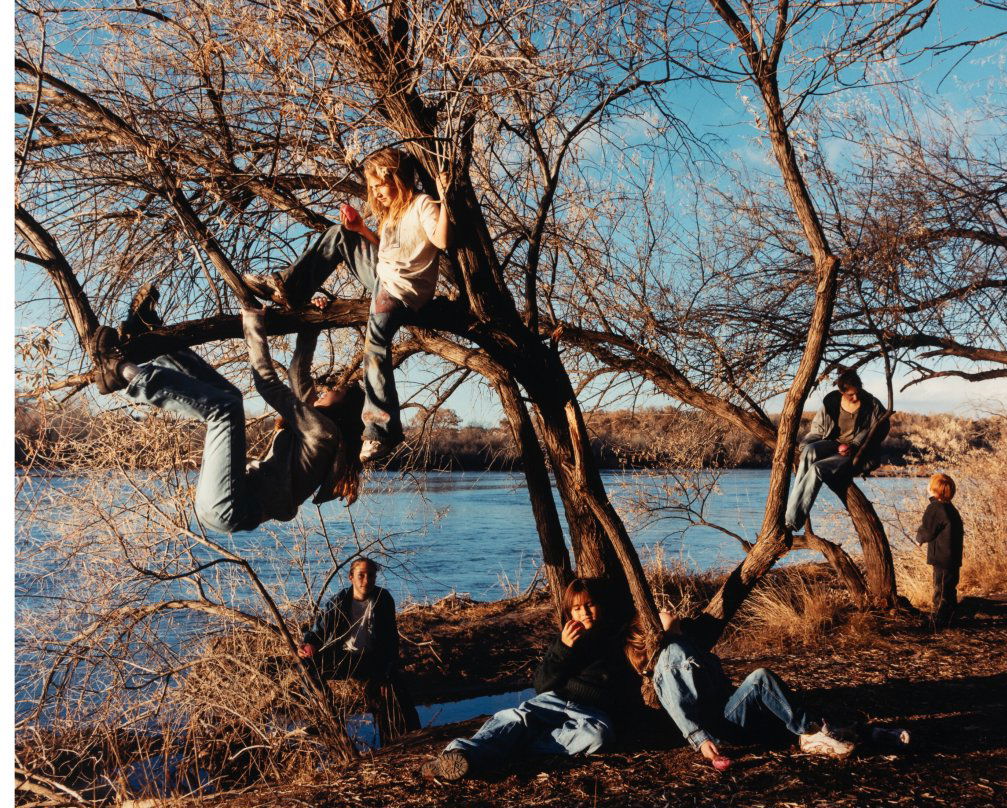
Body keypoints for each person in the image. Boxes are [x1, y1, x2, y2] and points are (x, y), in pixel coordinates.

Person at [90, 284, 365, 533]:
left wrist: (252, 323)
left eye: (335, 392)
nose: (328, 390)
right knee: (228, 395)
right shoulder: (316, 425)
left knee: (226, 409)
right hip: (230, 499)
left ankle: (122, 373)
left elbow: (267, 384)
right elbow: (298, 371)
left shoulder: (323, 432)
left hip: (233, 506)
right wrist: (313, 320)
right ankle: (148, 330)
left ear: (342, 411)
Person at [242, 148, 451, 465]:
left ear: (396, 178)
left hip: (403, 290)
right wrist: (360, 231)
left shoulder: (422, 204)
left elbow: (441, 240)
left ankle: (382, 430)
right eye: (375, 187)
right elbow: (386, 252)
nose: (378, 192)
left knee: (375, 344)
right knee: (338, 234)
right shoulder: (392, 214)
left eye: (381, 185)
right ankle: (289, 289)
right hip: (383, 275)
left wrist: (445, 200)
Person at [420, 578, 641, 782]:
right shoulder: (567, 639)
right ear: (569, 613)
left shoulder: (619, 636)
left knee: (597, 736)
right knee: (516, 718)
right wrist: (563, 648)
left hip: (592, 712)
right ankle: (458, 754)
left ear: (600, 605)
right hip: (556, 700)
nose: (584, 612)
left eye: (589, 605)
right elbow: (541, 685)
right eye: (576, 608)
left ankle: (515, 747)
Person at [645, 612, 865, 770]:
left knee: (772, 698)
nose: (664, 608)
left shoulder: (684, 644)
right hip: (722, 725)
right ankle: (809, 734)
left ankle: (823, 730)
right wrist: (700, 740)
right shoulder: (671, 655)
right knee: (760, 679)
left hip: (727, 711)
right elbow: (678, 704)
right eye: (659, 612)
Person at [299, 557, 419, 744]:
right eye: (361, 575)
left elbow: (390, 638)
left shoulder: (383, 599)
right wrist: (309, 644)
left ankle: (408, 738)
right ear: (351, 577)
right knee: (306, 666)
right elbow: (319, 630)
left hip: (371, 659)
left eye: (371, 575)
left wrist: (387, 668)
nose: (366, 580)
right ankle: (326, 716)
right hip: (344, 658)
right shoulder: (339, 601)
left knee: (397, 695)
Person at [786, 369, 890, 532]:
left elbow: (879, 431)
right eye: (850, 395)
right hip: (832, 444)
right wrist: (806, 444)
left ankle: (791, 521)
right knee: (808, 452)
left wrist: (855, 445)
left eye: (857, 393)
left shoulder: (872, 404)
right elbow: (818, 429)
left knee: (817, 469)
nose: (855, 397)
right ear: (841, 392)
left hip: (855, 452)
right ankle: (790, 512)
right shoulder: (832, 402)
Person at [916, 473, 965, 629]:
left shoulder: (935, 507)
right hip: (953, 555)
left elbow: (928, 530)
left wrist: (919, 539)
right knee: (949, 587)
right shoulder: (950, 507)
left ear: (934, 490)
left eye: (929, 485)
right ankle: (951, 616)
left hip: (942, 556)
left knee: (941, 588)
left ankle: (940, 620)